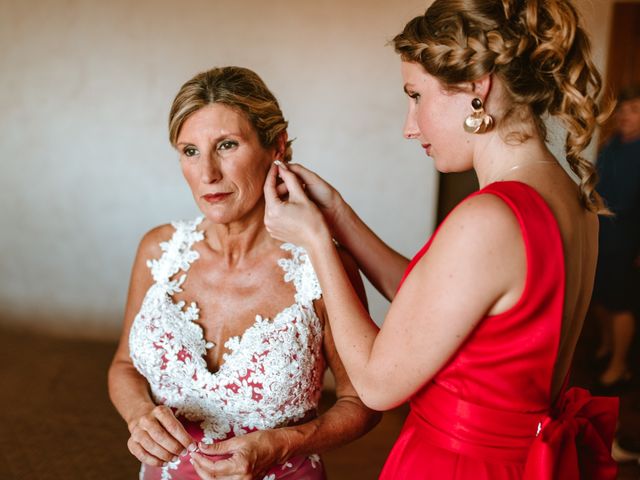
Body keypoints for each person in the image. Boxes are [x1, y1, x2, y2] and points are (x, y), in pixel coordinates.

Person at [263, 0, 619, 478]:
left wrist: (315, 244)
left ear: (476, 89)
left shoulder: (490, 218)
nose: (410, 127)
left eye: (415, 96)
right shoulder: (574, 200)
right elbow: (435, 309)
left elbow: (375, 384)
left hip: (459, 463)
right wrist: (337, 217)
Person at [107, 66, 378, 480]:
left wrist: (285, 442)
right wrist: (139, 414)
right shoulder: (158, 251)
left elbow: (362, 401)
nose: (207, 174)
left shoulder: (321, 266)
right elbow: (124, 365)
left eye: (227, 145)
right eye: (190, 151)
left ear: (276, 146)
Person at [591, 85, 640, 393]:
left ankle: (619, 365)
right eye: (622, 110)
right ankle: (607, 345)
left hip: (629, 240)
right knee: (600, 297)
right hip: (603, 233)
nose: (624, 116)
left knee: (620, 303)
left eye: (633, 110)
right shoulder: (611, 144)